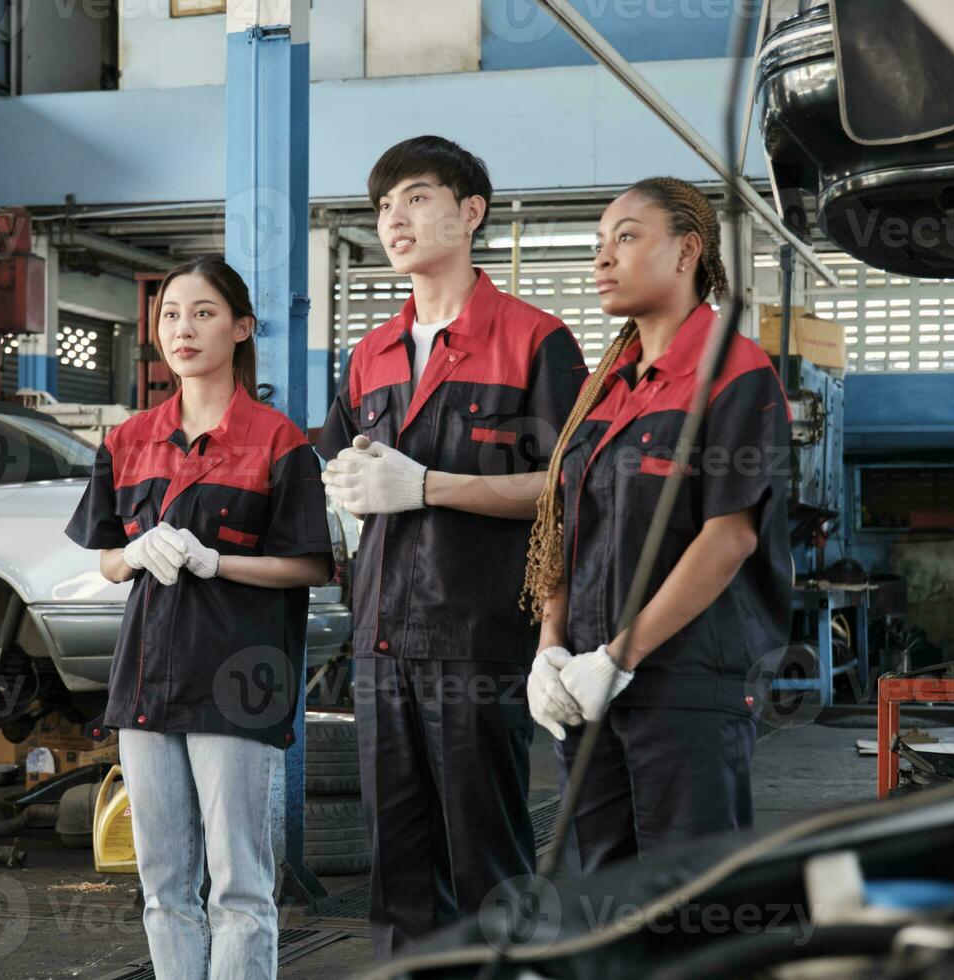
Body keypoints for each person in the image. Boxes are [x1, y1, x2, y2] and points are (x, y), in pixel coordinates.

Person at [317, 135, 587, 957]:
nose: (393, 217)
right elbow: (337, 463)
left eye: (416, 196)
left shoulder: (535, 341)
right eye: (382, 205)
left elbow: (571, 489)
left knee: (487, 866)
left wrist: (429, 486)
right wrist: (343, 485)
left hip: (476, 640)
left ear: (470, 213)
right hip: (380, 641)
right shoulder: (369, 355)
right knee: (396, 876)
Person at [67, 257, 334, 980]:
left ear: (242, 327)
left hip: (237, 682)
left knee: (239, 882)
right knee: (161, 883)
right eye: (171, 315)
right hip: (146, 682)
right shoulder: (126, 441)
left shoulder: (278, 442)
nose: (182, 328)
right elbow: (107, 560)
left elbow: (311, 565)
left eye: (204, 312)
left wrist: (216, 562)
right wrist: (135, 553)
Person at [523, 177, 793, 873]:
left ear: (686, 252)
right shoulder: (604, 387)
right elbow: (560, 522)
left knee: (688, 906)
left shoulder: (732, 371)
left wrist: (621, 656)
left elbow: (728, 535)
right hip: (586, 684)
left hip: (685, 690)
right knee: (601, 902)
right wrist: (552, 647)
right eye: (597, 245)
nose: (601, 259)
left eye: (626, 237)